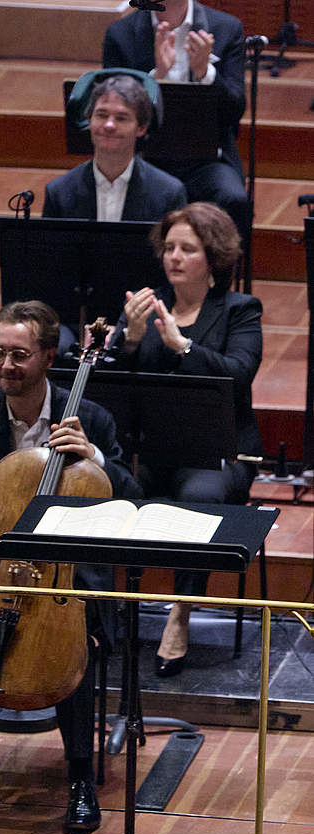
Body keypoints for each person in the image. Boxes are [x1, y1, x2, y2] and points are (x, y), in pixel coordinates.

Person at [0, 301, 141, 833]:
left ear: (48, 355)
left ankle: (81, 781)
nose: (6, 365)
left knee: (73, 647)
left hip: (66, 575)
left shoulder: (91, 417)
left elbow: (130, 499)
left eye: (19, 354)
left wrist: (95, 460)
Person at [110, 202, 261, 677]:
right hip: (153, 448)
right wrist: (129, 341)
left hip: (220, 453)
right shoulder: (144, 310)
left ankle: (181, 610)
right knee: (106, 488)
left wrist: (185, 347)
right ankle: (101, 611)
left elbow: (239, 375)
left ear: (212, 257)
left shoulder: (239, 310)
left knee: (198, 498)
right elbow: (112, 384)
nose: (174, 257)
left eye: (188, 249)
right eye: (169, 247)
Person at [102, 0, 250, 247]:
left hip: (208, 161)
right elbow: (115, 109)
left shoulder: (226, 28)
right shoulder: (121, 34)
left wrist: (205, 73)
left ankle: (218, 285)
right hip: (145, 159)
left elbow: (233, 111)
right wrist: (157, 77)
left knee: (233, 197)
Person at [43, 72, 187, 222]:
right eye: (101, 115)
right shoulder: (58, 192)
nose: (109, 125)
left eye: (121, 118)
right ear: (89, 121)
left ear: (141, 128)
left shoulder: (169, 193)